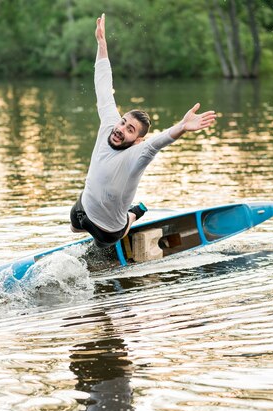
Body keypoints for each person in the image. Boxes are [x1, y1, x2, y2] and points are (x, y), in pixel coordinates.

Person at [70, 13, 217, 248]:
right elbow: (103, 87)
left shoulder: (137, 155)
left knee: (111, 236)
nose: (120, 130)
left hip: (108, 229)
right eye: (123, 122)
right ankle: (90, 220)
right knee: (73, 226)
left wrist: (181, 127)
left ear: (137, 140)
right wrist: (102, 46)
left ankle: (133, 214)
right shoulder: (109, 124)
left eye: (130, 130)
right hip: (82, 209)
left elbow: (158, 142)